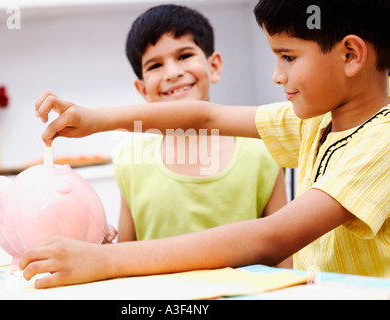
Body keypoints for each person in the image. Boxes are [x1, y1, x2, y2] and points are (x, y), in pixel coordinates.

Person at [22, 0, 389, 288]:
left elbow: (273, 237)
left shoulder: (383, 140)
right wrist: (97, 119)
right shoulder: (315, 123)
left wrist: (104, 261)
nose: (277, 76)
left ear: (350, 55)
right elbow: (206, 117)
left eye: (288, 57)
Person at [114, 4, 288, 261]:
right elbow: (122, 258)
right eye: (154, 65)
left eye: (184, 56)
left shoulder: (263, 151)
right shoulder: (131, 161)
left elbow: (284, 251)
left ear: (214, 66)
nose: (172, 73)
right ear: (142, 90)